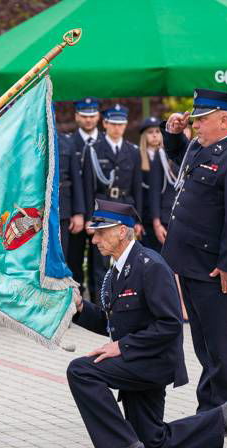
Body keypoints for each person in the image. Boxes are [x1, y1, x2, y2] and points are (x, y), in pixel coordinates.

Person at [66, 199, 227, 448]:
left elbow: (170, 324)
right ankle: (223, 418)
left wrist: (121, 347)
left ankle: (122, 445)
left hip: (152, 362)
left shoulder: (150, 265)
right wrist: (81, 308)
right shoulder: (117, 269)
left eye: (101, 233)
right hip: (138, 360)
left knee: (81, 371)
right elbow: (112, 322)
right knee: (152, 441)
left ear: (121, 231)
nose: (95, 240)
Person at [161, 89, 227, 413]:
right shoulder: (202, 149)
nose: (196, 125)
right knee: (204, 346)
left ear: (223, 119)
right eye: (196, 119)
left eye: (202, 119)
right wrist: (173, 136)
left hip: (216, 270)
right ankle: (210, 413)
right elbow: (181, 163)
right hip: (191, 264)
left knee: (223, 347)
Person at [82, 104, 143, 302]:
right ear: (105, 124)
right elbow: (88, 186)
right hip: (103, 207)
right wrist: (89, 217)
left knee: (125, 253)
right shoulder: (94, 149)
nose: (118, 128)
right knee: (101, 258)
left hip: (125, 206)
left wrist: (138, 219)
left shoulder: (132, 151)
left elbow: (137, 187)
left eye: (121, 124)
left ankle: (123, 298)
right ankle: (102, 302)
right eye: (114, 123)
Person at [67, 98, 102, 298]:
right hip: (76, 213)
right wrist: (78, 212)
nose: (89, 120)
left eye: (92, 116)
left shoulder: (105, 142)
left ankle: (98, 300)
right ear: (77, 116)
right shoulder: (70, 142)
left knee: (100, 260)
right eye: (84, 116)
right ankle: (77, 299)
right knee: (75, 259)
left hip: (99, 211)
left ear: (98, 116)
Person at [139, 116, 177, 253]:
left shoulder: (168, 157)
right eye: (150, 132)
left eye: (157, 131)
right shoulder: (137, 156)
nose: (155, 135)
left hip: (163, 212)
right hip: (145, 213)